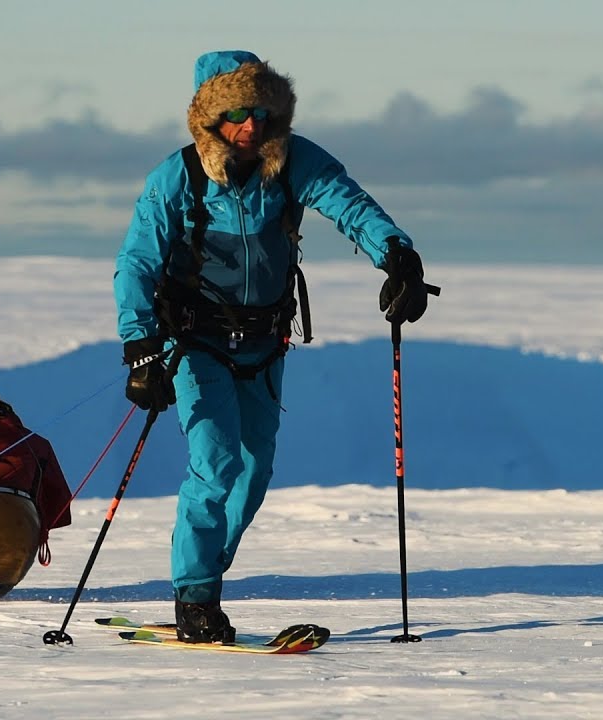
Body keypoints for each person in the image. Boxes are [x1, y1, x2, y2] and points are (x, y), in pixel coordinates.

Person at [113, 50, 430, 643]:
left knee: (253, 472)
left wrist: (398, 256)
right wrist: (140, 348)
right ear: (211, 115)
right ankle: (197, 598)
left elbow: (349, 204)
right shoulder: (177, 177)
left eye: (261, 110)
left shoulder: (293, 161)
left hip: (265, 342)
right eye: (236, 111)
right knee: (216, 465)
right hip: (194, 342)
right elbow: (136, 263)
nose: (251, 125)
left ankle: (206, 572)